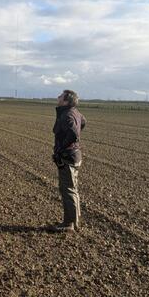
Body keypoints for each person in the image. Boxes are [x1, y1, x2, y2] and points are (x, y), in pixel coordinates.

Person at [51, 89, 86, 232]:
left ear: (66, 101)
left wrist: (61, 149)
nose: (58, 97)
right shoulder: (75, 112)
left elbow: (73, 134)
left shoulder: (67, 115)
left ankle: (69, 223)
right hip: (74, 155)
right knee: (72, 188)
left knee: (68, 190)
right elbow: (83, 122)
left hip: (68, 157)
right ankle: (74, 220)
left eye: (61, 96)